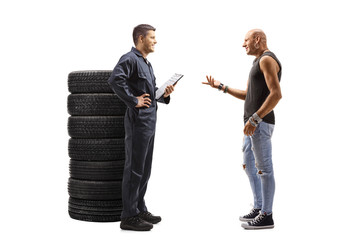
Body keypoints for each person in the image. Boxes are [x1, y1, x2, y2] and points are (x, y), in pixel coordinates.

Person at [202, 29, 282, 229]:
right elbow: (248, 94)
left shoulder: (267, 60)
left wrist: (255, 119)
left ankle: (267, 215)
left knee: (264, 169)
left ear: (257, 39)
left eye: (245, 40)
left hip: (260, 123)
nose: (243, 44)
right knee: (248, 164)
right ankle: (258, 206)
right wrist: (222, 87)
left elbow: (276, 94)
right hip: (251, 125)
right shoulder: (256, 62)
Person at [108, 24, 175, 231]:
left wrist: (164, 93)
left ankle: (138, 207)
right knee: (135, 169)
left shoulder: (146, 63)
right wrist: (133, 100)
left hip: (150, 121)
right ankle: (128, 216)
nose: (155, 41)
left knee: (145, 168)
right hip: (138, 121)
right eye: (152, 37)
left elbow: (150, 92)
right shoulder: (129, 59)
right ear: (140, 38)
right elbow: (115, 80)